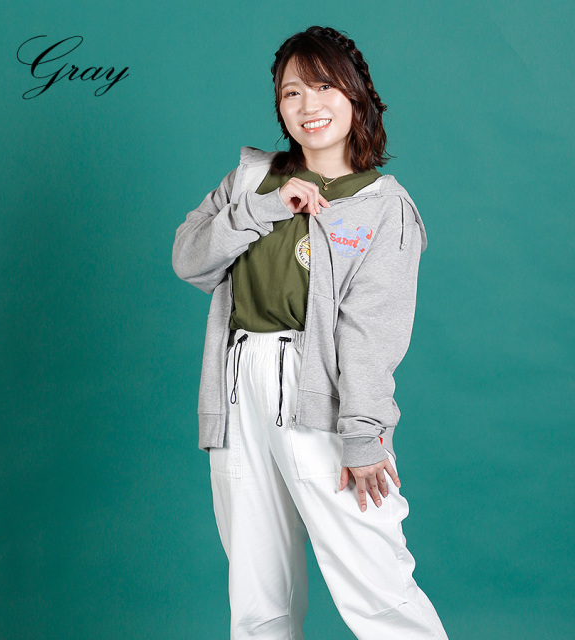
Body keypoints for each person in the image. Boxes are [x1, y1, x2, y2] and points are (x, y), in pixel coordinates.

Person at [172, 25, 449, 640]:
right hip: (238, 388)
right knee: (257, 592)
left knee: (376, 584)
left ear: (356, 96)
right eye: (292, 92)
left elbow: (371, 334)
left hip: (319, 394)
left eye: (325, 87)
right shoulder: (251, 180)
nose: (308, 105)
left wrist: (364, 434)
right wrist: (268, 206)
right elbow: (190, 260)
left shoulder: (382, 206)